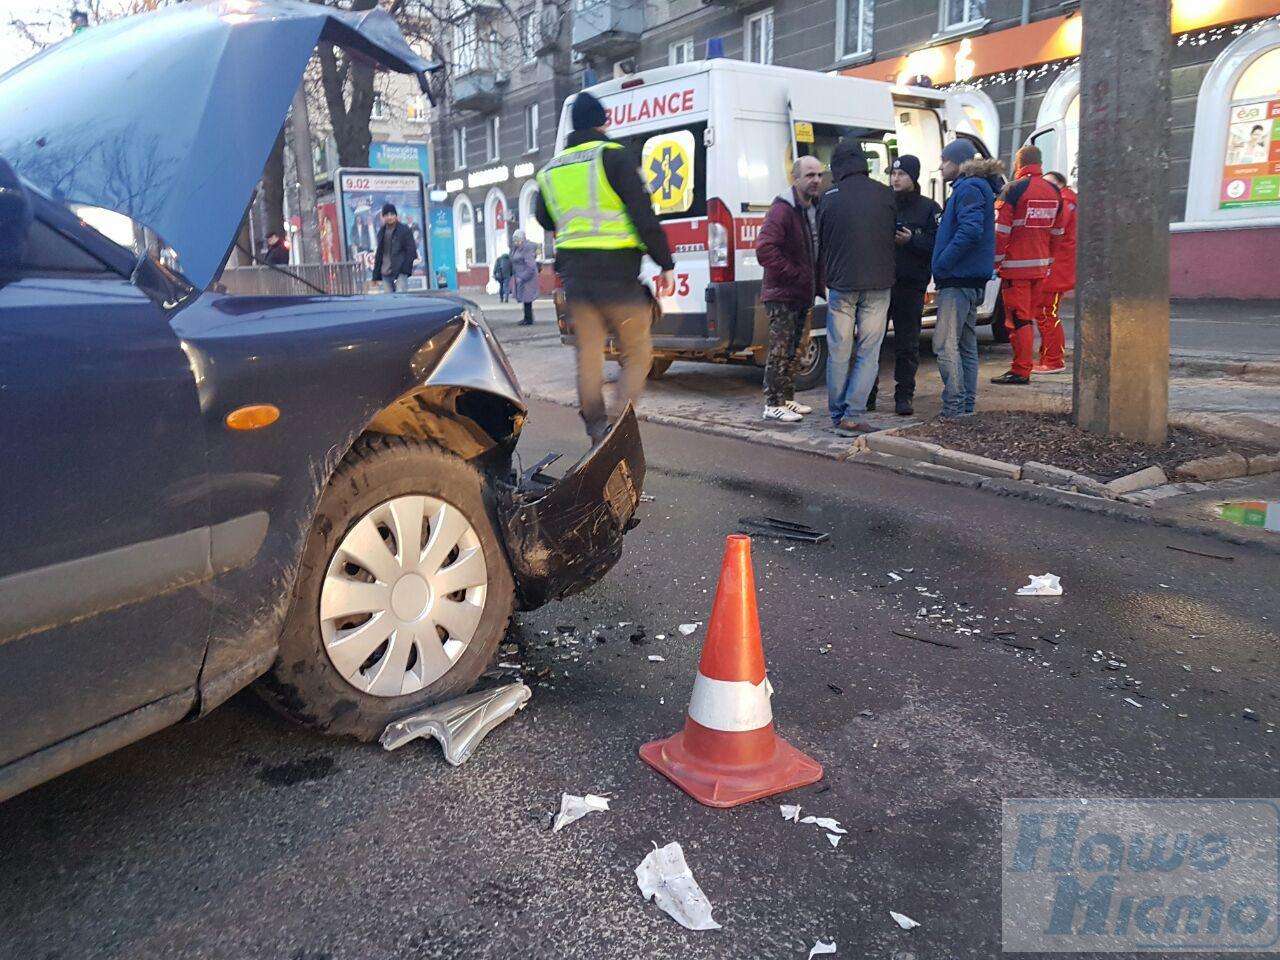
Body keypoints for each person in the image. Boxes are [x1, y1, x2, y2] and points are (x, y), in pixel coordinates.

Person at [535, 91, 676, 444]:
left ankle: (597, 427)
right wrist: (666, 264)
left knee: (589, 357)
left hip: (577, 282)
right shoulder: (613, 157)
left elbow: (543, 215)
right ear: (603, 122)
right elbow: (643, 215)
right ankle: (617, 424)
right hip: (619, 279)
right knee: (638, 353)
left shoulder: (550, 170)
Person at [819, 139, 896, 436]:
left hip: (841, 284)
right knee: (868, 351)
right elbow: (890, 234)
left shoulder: (828, 197)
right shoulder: (885, 194)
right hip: (878, 283)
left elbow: (822, 240)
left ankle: (838, 413)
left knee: (839, 351)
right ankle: (853, 414)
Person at [931, 139, 1000, 418]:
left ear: (958, 163)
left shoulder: (969, 188)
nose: (940, 166)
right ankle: (965, 407)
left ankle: (955, 408)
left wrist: (943, 263)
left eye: (944, 160)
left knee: (945, 345)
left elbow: (970, 231)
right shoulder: (975, 186)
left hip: (958, 279)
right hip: (969, 279)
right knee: (965, 346)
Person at [867, 155, 941, 417]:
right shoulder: (881, 205)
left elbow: (937, 246)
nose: (895, 179)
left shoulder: (929, 209)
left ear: (914, 177)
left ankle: (904, 396)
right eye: (893, 174)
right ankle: (868, 394)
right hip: (880, 282)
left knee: (907, 344)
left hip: (910, 285)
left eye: (902, 175)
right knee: (871, 341)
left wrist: (911, 241)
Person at [756, 155, 825, 423]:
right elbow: (765, 249)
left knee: (797, 349)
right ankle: (772, 403)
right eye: (809, 175)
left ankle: (787, 398)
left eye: (819, 175)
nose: (816, 180)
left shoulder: (814, 207)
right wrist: (794, 275)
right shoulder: (782, 210)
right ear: (795, 178)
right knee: (780, 349)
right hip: (783, 294)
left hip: (802, 294)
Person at [990, 144, 1062, 385]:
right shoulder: (1054, 191)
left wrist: (996, 263)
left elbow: (1001, 232)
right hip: (1040, 269)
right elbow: (1058, 232)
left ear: (1017, 165)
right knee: (1029, 317)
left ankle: (1021, 370)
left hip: (1015, 270)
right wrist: (1048, 263)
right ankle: (1023, 367)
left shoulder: (1013, 189)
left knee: (1019, 321)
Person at [1036, 170, 1077, 375]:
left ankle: (1053, 360)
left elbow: (1052, 228)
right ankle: (1048, 356)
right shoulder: (1069, 200)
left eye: (1049, 184)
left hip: (1055, 269)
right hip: (1058, 267)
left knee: (1046, 313)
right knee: (1046, 313)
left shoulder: (1063, 202)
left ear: (1060, 184)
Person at [371, 202, 416, 293]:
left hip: (400, 271)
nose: (389, 217)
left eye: (392, 214)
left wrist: (405, 269)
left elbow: (411, 250)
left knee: (401, 298)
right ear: (383, 217)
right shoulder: (381, 232)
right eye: (387, 215)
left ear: (396, 215)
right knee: (389, 301)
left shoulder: (404, 230)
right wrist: (375, 276)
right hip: (385, 272)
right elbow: (379, 254)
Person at [510, 230, 539, 325]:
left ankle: (528, 319)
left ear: (523, 240)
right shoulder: (516, 248)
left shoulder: (526, 248)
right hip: (520, 277)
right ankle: (527, 318)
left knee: (527, 299)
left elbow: (531, 265)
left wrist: (524, 277)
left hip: (527, 278)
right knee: (524, 299)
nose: (516, 243)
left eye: (518, 241)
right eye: (515, 241)